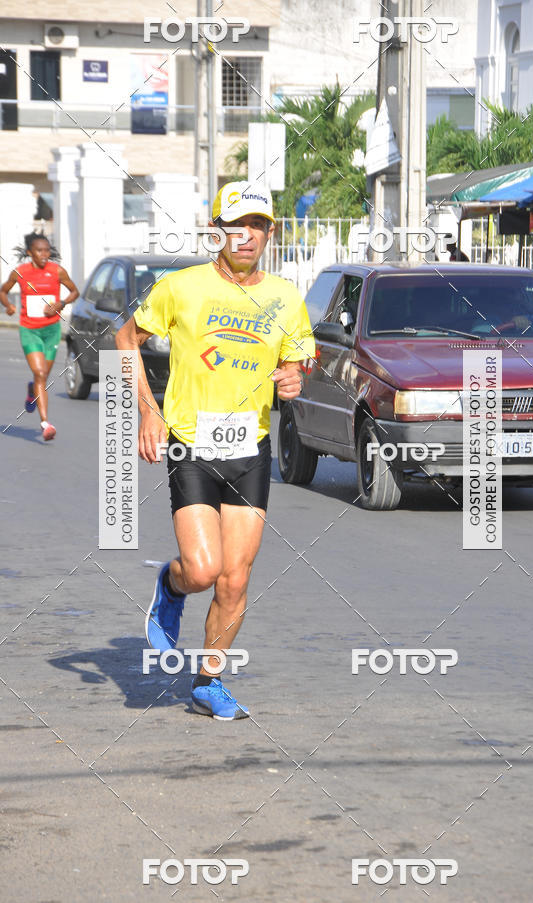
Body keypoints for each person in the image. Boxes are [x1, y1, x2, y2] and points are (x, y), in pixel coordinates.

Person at [116, 182, 315, 720]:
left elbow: (299, 360)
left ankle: (209, 680)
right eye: (234, 226)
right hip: (191, 443)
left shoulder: (284, 297)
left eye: (256, 225)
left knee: (237, 577)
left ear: (269, 233)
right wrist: (148, 411)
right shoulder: (181, 288)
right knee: (203, 571)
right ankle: (171, 584)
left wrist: (294, 376)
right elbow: (125, 336)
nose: (245, 235)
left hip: (249, 447)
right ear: (217, 233)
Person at [0, 232, 79, 440]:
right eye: (39, 251)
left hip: (51, 331)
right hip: (30, 330)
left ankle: (31, 388)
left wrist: (61, 303)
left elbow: (74, 292)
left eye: (47, 250)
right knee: (41, 374)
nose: (44, 254)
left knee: (42, 376)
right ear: (30, 252)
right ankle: (45, 424)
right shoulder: (20, 272)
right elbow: (3, 290)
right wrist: (8, 305)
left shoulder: (57, 271)